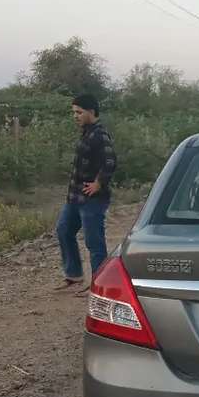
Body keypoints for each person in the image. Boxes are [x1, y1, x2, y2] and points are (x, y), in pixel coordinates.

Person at [55, 94, 117, 294]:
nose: (75, 116)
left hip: (92, 200)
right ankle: (73, 275)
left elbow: (110, 161)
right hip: (75, 197)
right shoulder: (86, 132)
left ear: (91, 111)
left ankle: (99, 284)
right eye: (74, 112)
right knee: (64, 230)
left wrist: (99, 183)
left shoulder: (100, 134)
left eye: (79, 112)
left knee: (94, 241)